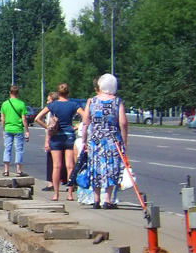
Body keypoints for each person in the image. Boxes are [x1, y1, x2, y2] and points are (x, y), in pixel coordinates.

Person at [80, 73, 129, 210]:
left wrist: (84, 141)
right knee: (111, 168)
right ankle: (107, 200)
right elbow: (123, 123)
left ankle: (96, 200)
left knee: (95, 167)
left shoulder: (92, 101)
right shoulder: (117, 102)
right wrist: (124, 141)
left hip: (95, 140)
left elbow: (85, 122)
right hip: (112, 139)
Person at [35, 84, 83, 202]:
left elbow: (37, 118)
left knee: (56, 166)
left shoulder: (52, 105)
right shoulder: (73, 105)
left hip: (56, 137)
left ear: (58, 93)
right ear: (68, 93)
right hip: (69, 136)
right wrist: (76, 128)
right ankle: (70, 194)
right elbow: (86, 116)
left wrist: (48, 127)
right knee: (70, 166)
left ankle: (56, 194)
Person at [0, 85, 28, 177]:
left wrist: (3, 130)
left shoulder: (4, 104)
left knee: (7, 148)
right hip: (18, 129)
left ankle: (6, 170)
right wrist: (27, 130)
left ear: (9, 93)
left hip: (8, 128)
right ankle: (18, 170)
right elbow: (24, 119)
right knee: (19, 149)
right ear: (18, 93)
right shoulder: (21, 104)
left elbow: (2, 119)